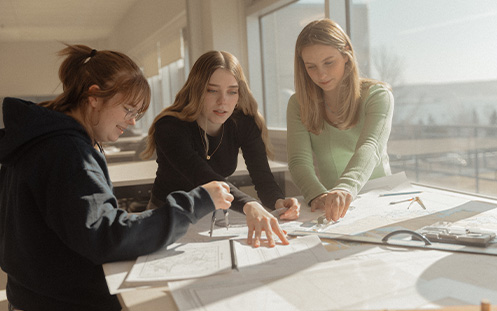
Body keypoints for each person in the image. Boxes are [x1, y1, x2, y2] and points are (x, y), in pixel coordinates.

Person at [0, 45, 233, 311]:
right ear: (95, 97)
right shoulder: (69, 153)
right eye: (128, 109)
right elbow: (107, 237)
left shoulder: (37, 139)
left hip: (31, 295)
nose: (132, 122)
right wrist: (197, 202)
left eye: (137, 114)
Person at [141, 50, 300, 248]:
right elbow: (203, 177)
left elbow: (263, 178)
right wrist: (250, 205)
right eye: (212, 90)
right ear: (197, 89)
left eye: (232, 91)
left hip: (213, 217)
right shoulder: (170, 126)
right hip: (168, 215)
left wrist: (279, 202)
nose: (223, 101)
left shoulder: (243, 123)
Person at [287, 18, 394, 222]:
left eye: (329, 62)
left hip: (380, 198)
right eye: (311, 67)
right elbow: (299, 160)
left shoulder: (378, 95)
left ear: (346, 54)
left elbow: (370, 147)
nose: (322, 74)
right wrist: (317, 194)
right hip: (331, 202)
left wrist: (345, 188)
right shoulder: (298, 103)